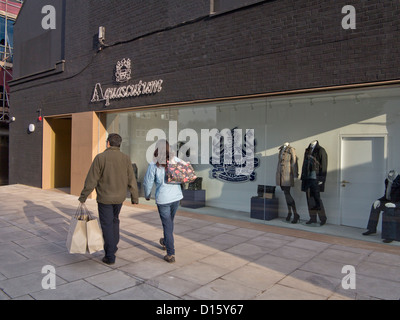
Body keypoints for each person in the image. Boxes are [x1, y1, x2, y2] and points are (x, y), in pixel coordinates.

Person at [78, 133, 139, 265]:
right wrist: (135, 197)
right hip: (119, 198)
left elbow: (91, 179)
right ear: (119, 144)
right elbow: (131, 179)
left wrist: (83, 196)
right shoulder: (125, 158)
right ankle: (113, 246)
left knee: (106, 225)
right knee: (115, 220)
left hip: (105, 198)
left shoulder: (100, 158)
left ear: (108, 143)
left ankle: (110, 255)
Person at [143, 139, 183, 263]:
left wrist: (147, 194)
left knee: (167, 224)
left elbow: (148, 181)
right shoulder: (175, 160)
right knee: (169, 222)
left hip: (163, 199)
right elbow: (185, 170)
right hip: (176, 197)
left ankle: (170, 253)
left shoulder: (154, 164)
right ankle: (166, 241)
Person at [363, 170, 400, 243]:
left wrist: (395, 205)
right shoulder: (388, 181)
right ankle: (371, 229)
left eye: (392, 175)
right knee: (375, 206)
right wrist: (379, 200)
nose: (390, 176)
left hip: (397, 205)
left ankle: (390, 236)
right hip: (390, 203)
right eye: (389, 175)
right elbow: (386, 197)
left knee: (389, 211)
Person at [300, 140, 328, 226]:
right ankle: (312, 218)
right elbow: (304, 164)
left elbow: (324, 165)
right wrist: (302, 177)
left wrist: (322, 179)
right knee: (309, 199)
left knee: (317, 199)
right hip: (307, 179)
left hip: (316, 179)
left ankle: (323, 219)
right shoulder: (307, 150)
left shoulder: (321, 150)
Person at [276, 142, 299, 223]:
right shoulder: (281, 150)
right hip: (280, 176)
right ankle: (289, 213)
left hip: (287, 175)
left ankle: (295, 214)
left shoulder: (291, 149)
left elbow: (294, 162)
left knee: (287, 194)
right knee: (286, 194)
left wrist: (295, 175)